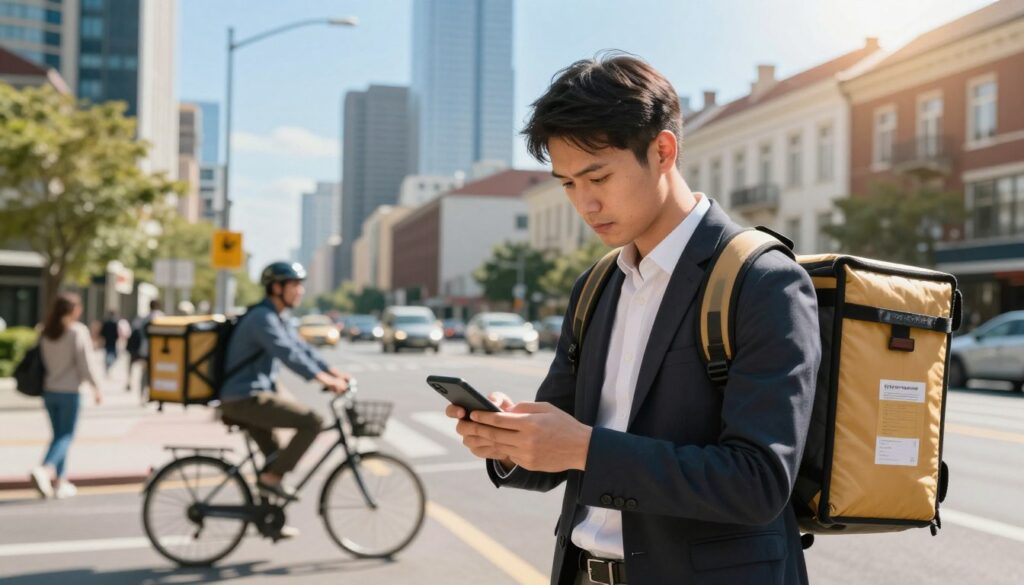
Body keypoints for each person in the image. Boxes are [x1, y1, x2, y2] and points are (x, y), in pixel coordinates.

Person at [446, 54, 820, 585]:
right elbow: (563, 442)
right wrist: (511, 441)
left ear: (662, 151)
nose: (585, 202)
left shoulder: (761, 280)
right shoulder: (597, 285)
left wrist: (585, 448)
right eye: (568, 184)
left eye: (598, 176)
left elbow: (757, 483)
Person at [218, 261, 350, 531]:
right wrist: (323, 380)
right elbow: (286, 354)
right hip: (244, 398)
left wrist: (334, 371)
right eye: (295, 285)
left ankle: (268, 519)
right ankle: (270, 481)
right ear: (277, 288)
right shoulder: (262, 319)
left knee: (274, 458)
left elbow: (301, 348)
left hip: (250, 396)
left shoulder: (276, 317)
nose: (300, 291)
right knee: (312, 421)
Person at [30, 292, 104, 499]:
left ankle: (60, 481)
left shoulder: (46, 331)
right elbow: (85, 364)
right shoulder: (76, 331)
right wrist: (96, 387)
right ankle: (45, 469)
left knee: (59, 436)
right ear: (73, 310)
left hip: (49, 391)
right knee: (65, 436)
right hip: (70, 392)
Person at [127, 300, 164, 395]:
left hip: (145, 349)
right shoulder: (161, 316)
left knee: (145, 372)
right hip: (160, 350)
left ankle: (143, 393)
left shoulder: (144, 318)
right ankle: (156, 393)